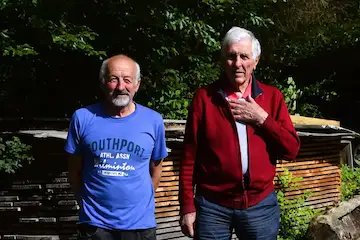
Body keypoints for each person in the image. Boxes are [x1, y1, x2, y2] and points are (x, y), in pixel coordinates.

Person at [179, 27, 300, 239]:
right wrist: (187, 205)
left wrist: (262, 119)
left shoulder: (271, 97)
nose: (238, 64)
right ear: (222, 59)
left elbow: (291, 149)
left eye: (244, 56)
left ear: (256, 61)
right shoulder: (204, 98)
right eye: (231, 56)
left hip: (259, 205)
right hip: (212, 206)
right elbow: (189, 156)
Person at [64, 54, 168, 240]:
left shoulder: (153, 121)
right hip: (95, 226)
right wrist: (86, 205)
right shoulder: (82, 118)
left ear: (137, 84)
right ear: (103, 83)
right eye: (114, 80)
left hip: (139, 226)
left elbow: (156, 169)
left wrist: (139, 204)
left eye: (127, 80)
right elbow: (74, 171)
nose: (121, 87)